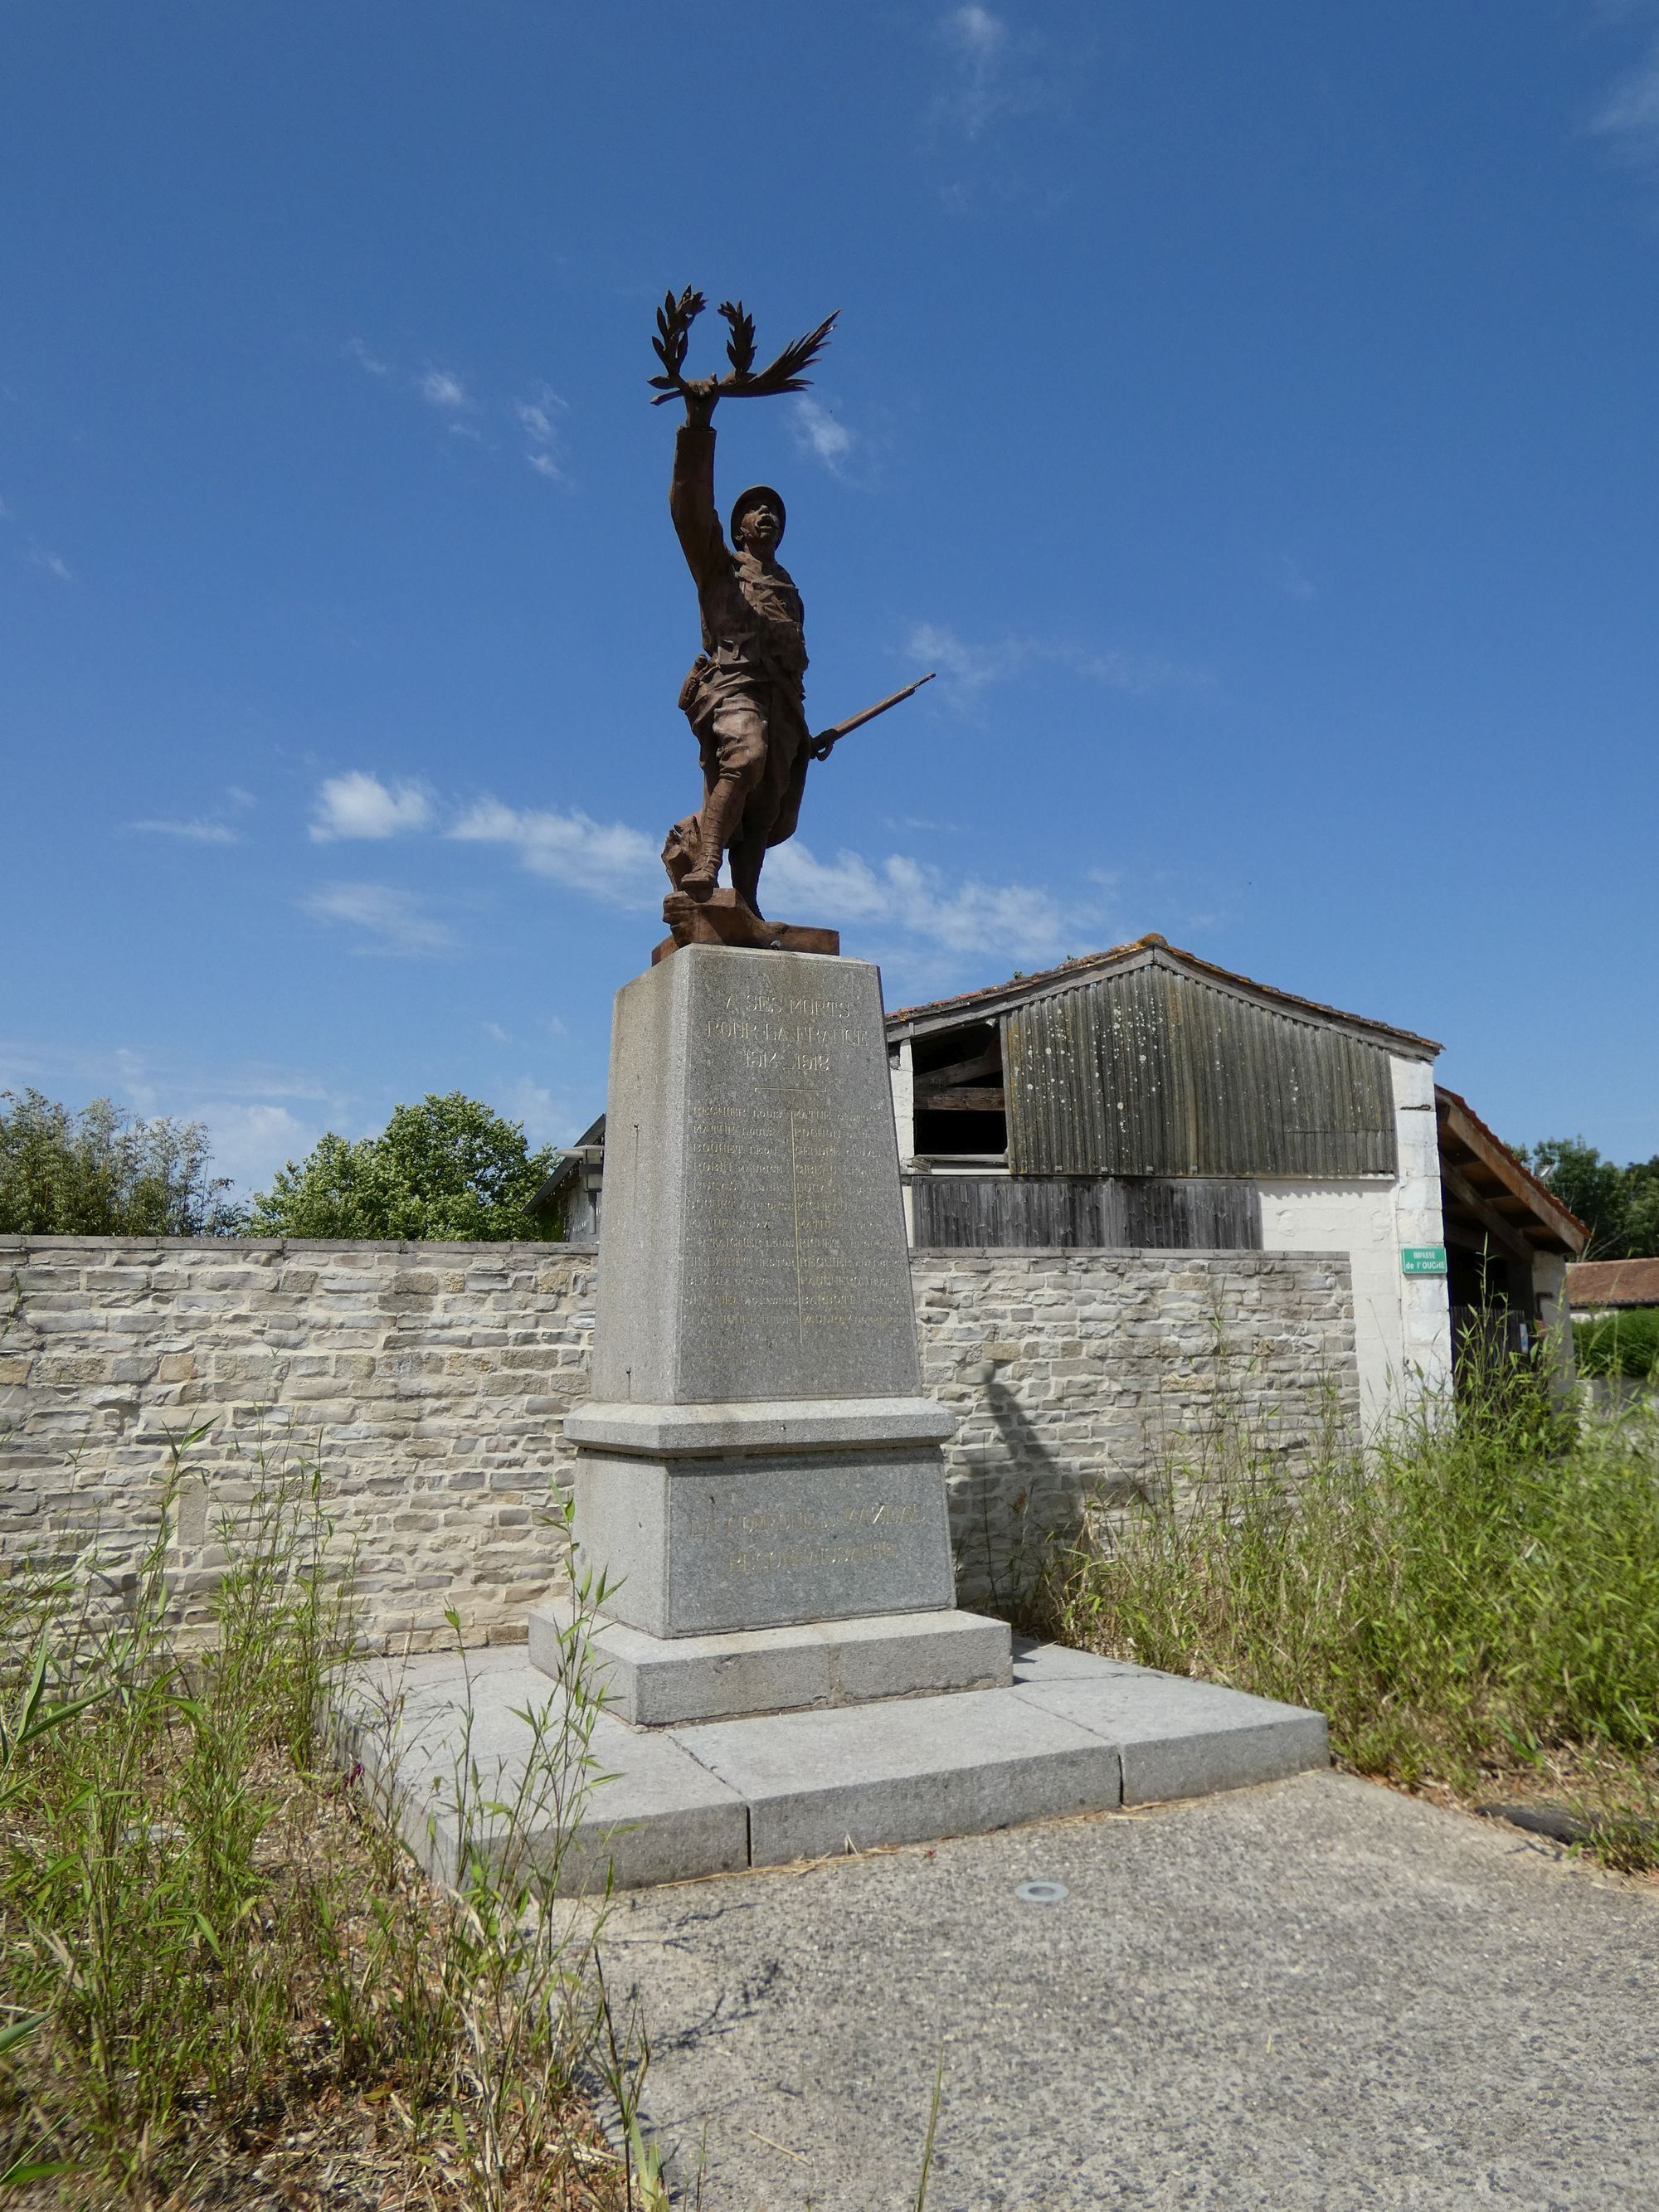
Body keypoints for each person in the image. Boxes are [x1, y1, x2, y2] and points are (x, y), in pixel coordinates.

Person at [661, 376, 812, 918]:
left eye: (776, 510)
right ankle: (704, 864)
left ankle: (746, 902)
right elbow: (689, 509)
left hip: (782, 704)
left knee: (767, 808)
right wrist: (698, 427)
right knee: (743, 757)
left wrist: (805, 732)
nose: (767, 514)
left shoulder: (790, 590)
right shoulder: (718, 567)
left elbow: (793, 667)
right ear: (740, 526)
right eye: (756, 508)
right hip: (731, 686)